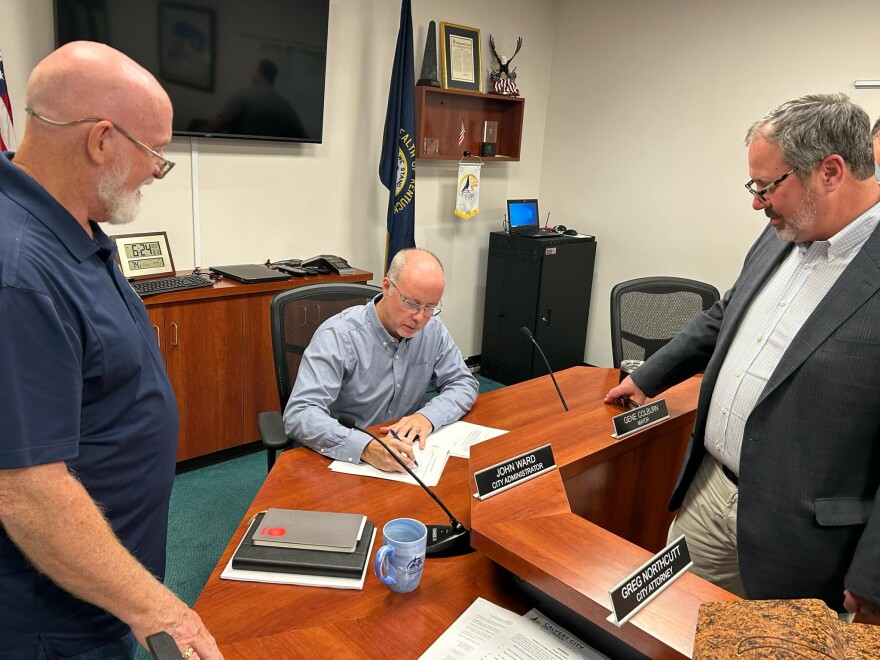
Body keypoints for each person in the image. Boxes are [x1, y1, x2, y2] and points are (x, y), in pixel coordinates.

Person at [605, 93, 880, 618]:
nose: (757, 203)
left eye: (768, 186)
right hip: (709, 492)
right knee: (667, 626)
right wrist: (650, 376)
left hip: (801, 537)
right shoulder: (783, 231)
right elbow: (726, 312)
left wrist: (874, 578)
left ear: (830, 171)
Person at [0, 42, 222, 658]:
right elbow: (26, 491)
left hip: (98, 591)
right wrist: (158, 609)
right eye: (155, 151)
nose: (158, 169)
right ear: (101, 141)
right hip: (54, 619)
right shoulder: (17, 271)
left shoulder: (73, 226)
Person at [284, 248, 479, 472]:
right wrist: (365, 447)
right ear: (386, 287)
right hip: (341, 456)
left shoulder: (432, 329)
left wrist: (427, 417)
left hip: (404, 452)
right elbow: (300, 414)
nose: (419, 317)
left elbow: (463, 382)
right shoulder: (339, 335)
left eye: (430, 307)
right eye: (412, 303)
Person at [205, 59, 306, 139]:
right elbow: (304, 139)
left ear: (258, 73)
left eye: (253, 72)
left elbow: (214, 127)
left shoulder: (245, 95)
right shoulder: (286, 107)